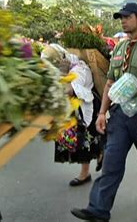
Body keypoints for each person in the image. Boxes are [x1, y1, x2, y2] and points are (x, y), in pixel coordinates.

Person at [71, 2, 137, 222]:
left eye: (127, 16)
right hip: (120, 115)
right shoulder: (120, 47)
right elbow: (110, 83)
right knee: (111, 162)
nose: (122, 20)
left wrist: (131, 90)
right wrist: (102, 113)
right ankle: (98, 209)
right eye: (120, 17)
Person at [41, 43, 105, 186]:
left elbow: (68, 90)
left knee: (85, 143)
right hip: (72, 108)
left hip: (84, 109)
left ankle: (85, 172)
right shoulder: (68, 65)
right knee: (80, 142)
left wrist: (61, 76)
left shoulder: (80, 69)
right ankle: (100, 152)